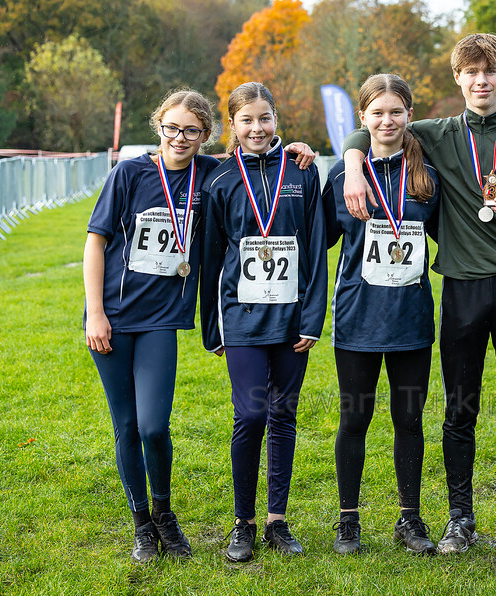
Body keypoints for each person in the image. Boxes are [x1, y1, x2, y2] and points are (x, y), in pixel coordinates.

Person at [341, 33, 496, 554]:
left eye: (490, 72)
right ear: (458, 79)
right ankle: (460, 518)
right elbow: (373, 126)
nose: (481, 81)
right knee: (460, 407)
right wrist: (352, 165)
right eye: (471, 72)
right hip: (462, 290)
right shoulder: (436, 134)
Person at [84, 89, 221, 563]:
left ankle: (165, 514)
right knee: (126, 426)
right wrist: (95, 313)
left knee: (153, 426)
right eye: (172, 127)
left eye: (191, 131)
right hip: (114, 318)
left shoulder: (210, 173)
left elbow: (254, 151)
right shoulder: (130, 173)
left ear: (204, 136)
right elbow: (95, 242)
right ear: (158, 125)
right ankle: (142, 524)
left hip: (163, 319)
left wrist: (295, 149)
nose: (179, 138)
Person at [200, 82, 325, 563]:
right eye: (247, 120)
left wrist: (313, 319)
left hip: (292, 319)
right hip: (242, 317)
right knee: (250, 415)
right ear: (232, 124)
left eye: (265, 119)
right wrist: (213, 329)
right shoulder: (219, 178)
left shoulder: (301, 171)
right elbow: (211, 257)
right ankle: (243, 522)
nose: (257, 128)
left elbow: (314, 250)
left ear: (277, 120)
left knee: (283, 415)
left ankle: (277, 520)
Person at [323, 74, 441, 555]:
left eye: (396, 112)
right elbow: (319, 242)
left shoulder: (427, 176)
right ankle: (348, 520)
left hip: (411, 320)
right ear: (363, 118)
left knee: (409, 420)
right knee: (355, 419)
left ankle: (409, 520)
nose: (387, 121)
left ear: (409, 115)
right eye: (378, 112)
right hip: (357, 320)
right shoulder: (343, 176)